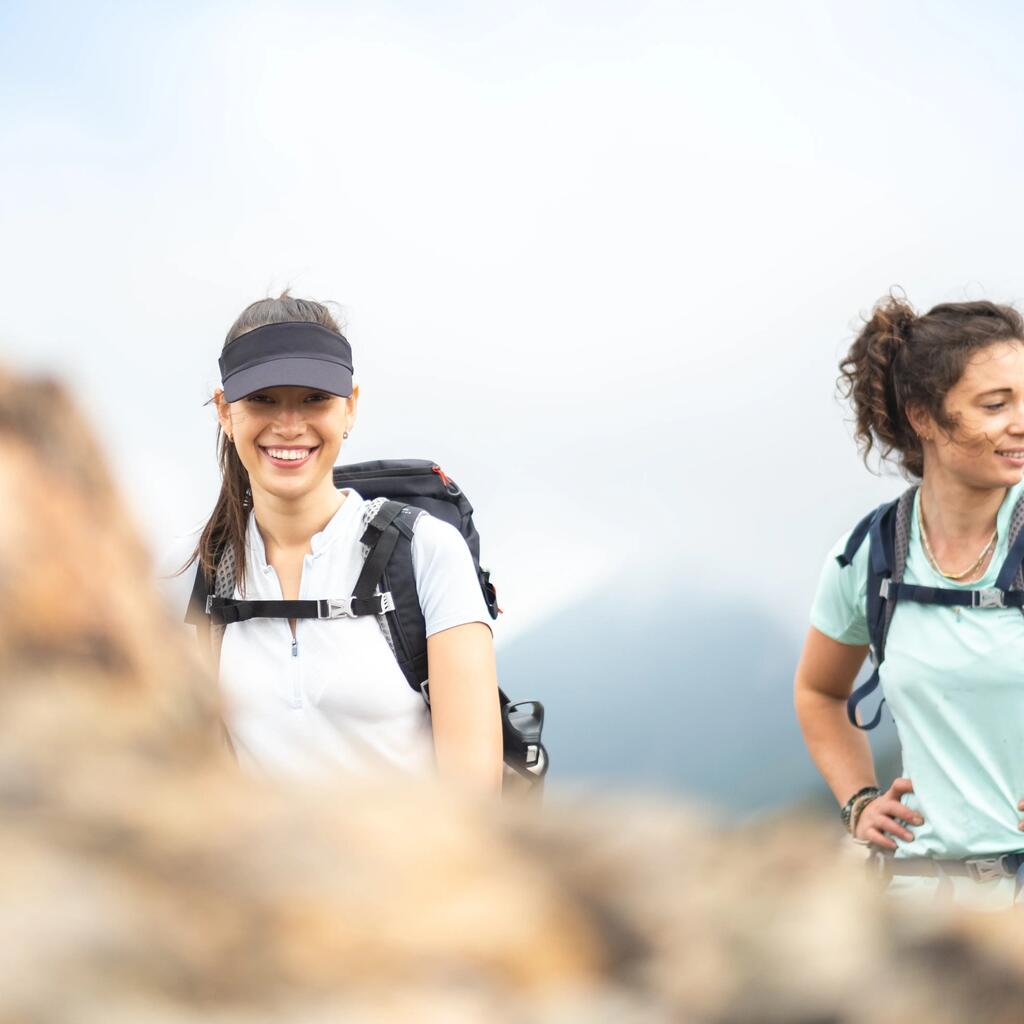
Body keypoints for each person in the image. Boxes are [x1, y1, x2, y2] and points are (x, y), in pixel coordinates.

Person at [185, 293, 503, 791]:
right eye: (262, 399)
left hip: (420, 869)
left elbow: (474, 800)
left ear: (351, 407)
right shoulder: (199, 574)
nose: (289, 426)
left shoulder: (426, 554)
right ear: (225, 412)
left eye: (315, 398)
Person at [794, 295, 1024, 907]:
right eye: (996, 404)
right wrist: (859, 803)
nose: (1021, 420)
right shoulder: (869, 553)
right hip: (915, 906)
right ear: (923, 416)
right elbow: (819, 693)